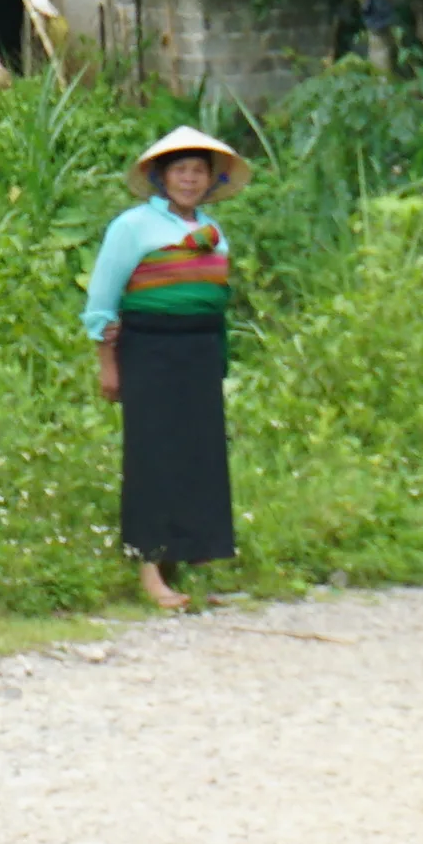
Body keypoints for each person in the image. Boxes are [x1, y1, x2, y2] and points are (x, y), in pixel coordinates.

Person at [82, 126, 248, 611]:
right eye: (180, 171)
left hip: (198, 356)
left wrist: (218, 360)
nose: (190, 180)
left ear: (212, 180)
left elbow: (215, 301)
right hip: (148, 352)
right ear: (160, 177)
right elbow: (102, 301)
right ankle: (149, 569)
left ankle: (188, 560)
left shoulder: (215, 235)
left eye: (198, 171)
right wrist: (107, 363)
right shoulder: (132, 227)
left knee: (197, 457)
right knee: (152, 457)